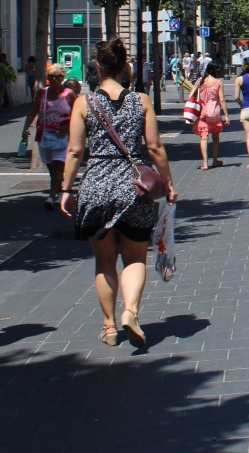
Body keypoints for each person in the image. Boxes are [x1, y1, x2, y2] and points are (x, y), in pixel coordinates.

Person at [58, 37, 177, 347]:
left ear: (98, 67)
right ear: (126, 66)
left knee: (104, 261)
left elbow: (74, 150)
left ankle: (109, 326)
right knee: (135, 257)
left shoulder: (83, 103)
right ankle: (131, 312)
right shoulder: (141, 101)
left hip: (96, 185)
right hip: (132, 187)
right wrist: (168, 182)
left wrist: (66, 189)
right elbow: (154, 147)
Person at [22, 63, 76, 209]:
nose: (54, 80)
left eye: (57, 77)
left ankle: (51, 197)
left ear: (62, 78)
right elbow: (33, 111)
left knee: (58, 165)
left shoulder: (69, 94)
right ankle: (58, 190)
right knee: (52, 167)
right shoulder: (42, 93)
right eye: (51, 77)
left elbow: (77, 115)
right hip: (45, 135)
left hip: (62, 136)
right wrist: (26, 128)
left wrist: (68, 126)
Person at [192, 62, 230, 169]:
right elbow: (221, 100)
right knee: (215, 138)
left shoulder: (200, 81)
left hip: (202, 112)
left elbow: (192, 94)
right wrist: (226, 115)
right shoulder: (218, 82)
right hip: (214, 111)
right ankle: (214, 160)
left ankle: (205, 163)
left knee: (204, 138)